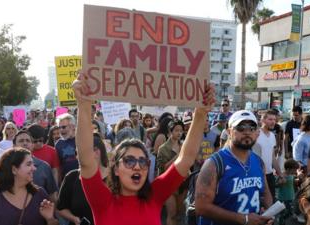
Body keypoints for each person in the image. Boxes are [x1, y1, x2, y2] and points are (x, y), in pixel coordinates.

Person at [72, 72, 215, 225]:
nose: (138, 166)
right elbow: (86, 159)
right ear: (115, 169)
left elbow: (186, 159)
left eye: (143, 161)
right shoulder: (102, 200)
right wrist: (84, 105)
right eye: (129, 161)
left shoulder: (155, 195)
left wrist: (200, 113)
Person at [195, 110, 273, 225]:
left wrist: (268, 212)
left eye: (251, 128)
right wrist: (244, 219)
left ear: (257, 132)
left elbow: (265, 193)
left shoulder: (258, 161)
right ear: (229, 131)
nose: (247, 132)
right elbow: (201, 207)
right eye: (241, 128)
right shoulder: (214, 163)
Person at [0, 148, 59, 225]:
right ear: (14, 170)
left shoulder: (40, 194)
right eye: (28, 164)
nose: (34, 168)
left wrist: (50, 219)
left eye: (33, 164)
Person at [57, 133, 109, 225]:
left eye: (81, 152)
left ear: (96, 152)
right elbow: (61, 208)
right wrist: (74, 219)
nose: (77, 157)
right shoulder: (71, 177)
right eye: (76, 153)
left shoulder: (115, 178)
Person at [13, 130, 59, 202]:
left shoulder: (44, 167)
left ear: (32, 145)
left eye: (28, 141)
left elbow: (52, 196)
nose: (25, 143)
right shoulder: (7, 166)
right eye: (21, 141)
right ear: (14, 146)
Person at [156, 119, 184, 225]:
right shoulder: (163, 149)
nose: (179, 133)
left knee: (179, 214)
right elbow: (163, 168)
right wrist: (179, 156)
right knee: (171, 214)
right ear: (170, 131)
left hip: (182, 183)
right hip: (169, 185)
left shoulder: (183, 146)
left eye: (181, 131)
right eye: (176, 130)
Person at [253, 109, 284, 200]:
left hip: (270, 175)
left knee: (271, 201)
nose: (273, 122)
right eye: (270, 119)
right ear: (262, 120)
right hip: (257, 174)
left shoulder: (272, 136)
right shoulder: (256, 134)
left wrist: (280, 174)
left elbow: (272, 158)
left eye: (274, 119)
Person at [276, 159, 299, 225]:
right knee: (283, 214)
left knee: (290, 213)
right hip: (283, 198)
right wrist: (280, 183)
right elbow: (276, 185)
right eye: (294, 169)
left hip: (291, 197)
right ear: (288, 169)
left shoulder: (291, 175)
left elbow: (292, 183)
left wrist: (297, 180)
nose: (295, 171)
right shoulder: (282, 175)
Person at [55, 113, 78, 179]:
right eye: (59, 127)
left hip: (83, 179)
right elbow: (58, 167)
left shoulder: (81, 139)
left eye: (64, 127)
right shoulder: (58, 144)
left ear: (73, 126)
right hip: (67, 180)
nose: (61, 130)